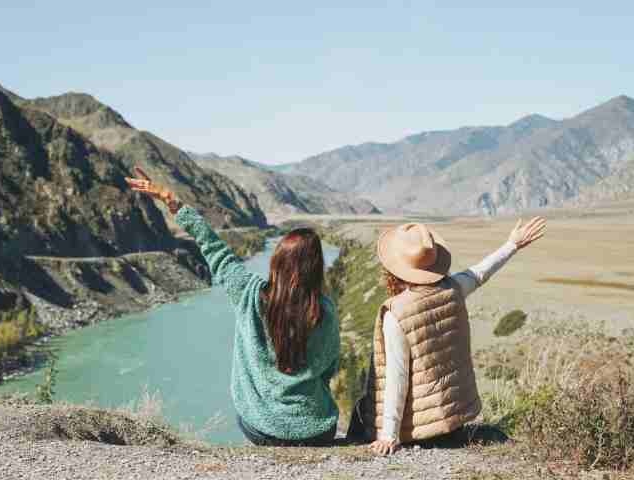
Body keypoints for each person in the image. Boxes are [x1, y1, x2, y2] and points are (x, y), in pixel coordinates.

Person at [125, 167, 339, 446]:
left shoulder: (249, 293)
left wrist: (169, 199)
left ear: (276, 262)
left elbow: (213, 247)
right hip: (315, 430)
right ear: (315, 268)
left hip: (261, 427)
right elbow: (329, 368)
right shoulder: (324, 311)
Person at [348, 218, 546, 455]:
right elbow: (480, 273)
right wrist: (511, 244)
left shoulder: (396, 313)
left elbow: (397, 376)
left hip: (417, 429)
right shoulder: (453, 289)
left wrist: (389, 436)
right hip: (453, 420)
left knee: (362, 410)